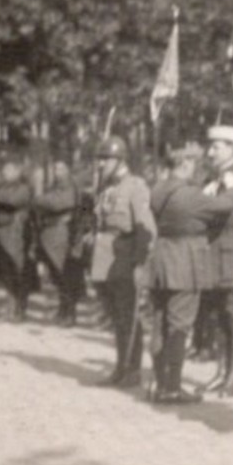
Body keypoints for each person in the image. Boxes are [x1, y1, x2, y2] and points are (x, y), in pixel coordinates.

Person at [146, 142, 233, 404]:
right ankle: (172, 387)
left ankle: (159, 381)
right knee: (179, 325)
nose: (197, 170)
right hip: (184, 261)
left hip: (162, 259)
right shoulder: (189, 194)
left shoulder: (160, 188)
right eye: (195, 164)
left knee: (160, 322)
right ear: (185, 163)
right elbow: (227, 204)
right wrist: (230, 184)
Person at [90, 137, 155, 389]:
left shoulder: (135, 186)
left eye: (105, 159)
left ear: (120, 160)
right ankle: (120, 366)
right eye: (99, 159)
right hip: (105, 256)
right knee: (115, 315)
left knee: (129, 314)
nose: (100, 164)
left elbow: (145, 227)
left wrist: (140, 262)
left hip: (125, 256)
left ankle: (132, 368)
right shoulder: (106, 187)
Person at [198, 125, 233, 396]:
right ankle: (221, 370)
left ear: (231, 148)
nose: (211, 152)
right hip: (213, 253)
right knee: (216, 315)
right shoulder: (211, 177)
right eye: (211, 146)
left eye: (217, 147)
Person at [32, 158, 84, 326]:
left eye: (61, 168)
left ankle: (70, 313)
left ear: (68, 170)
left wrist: (39, 197)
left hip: (63, 234)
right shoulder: (55, 187)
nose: (57, 172)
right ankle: (63, 310)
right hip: (51, 234)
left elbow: (56, 203)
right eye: (55, 169)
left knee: (65, 275)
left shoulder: (70, 186)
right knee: (57, 276)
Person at [0, 153, 34, 321]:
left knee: (16, 270)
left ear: (18, 171)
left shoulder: (24, 187)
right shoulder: (0, 186)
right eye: (4, 169)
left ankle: (19, 308)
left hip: (15, 233)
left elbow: (12, 200)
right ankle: (10, 305)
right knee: (4, 271)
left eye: (10, 169)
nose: (6, 172)